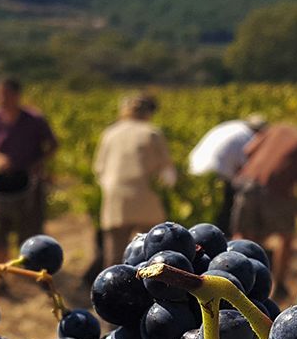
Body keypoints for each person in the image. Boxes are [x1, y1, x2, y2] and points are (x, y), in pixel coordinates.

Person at [230, 119, 297, 299]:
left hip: (245, 183)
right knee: (286, 237)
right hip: (275, 190)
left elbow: (248, 150)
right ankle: (277, 287)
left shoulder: (280, 128)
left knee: (243, 236)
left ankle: (233, 281)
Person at [93, 92, 178, 268]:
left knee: (114, 253)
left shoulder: (110, 133)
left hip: (115, 197)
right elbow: (168, 174)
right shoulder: (152, 133)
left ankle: (112, 291)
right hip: (146, 196)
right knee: (150, 249)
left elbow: (98, 169)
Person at [0, 76, 57, 263]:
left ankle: (31, 270)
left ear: (17, 95)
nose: (1, 99)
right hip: (4, 182)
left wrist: (37, 164)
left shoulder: (34, 119)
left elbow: (53, 145)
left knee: (31, 230)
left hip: (30, 183)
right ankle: (1, 273)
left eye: (5, 95)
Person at [188, 114, 267, 233]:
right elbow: (245, 167)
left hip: (195, 167)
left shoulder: (232, 126)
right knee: (226, 208)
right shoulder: (248, 137)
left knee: (204, 214)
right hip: (216, 173)